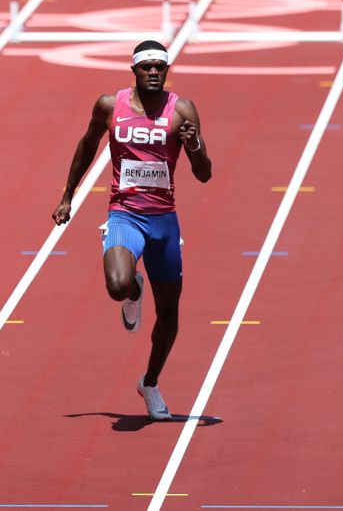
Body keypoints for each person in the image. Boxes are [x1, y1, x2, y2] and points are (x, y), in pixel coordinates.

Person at [52, 40, 211, 421]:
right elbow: (87, 146)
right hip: (125, 213)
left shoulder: (182, 110)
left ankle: (150, 383)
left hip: (164, 222)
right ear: (134, 71)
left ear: (167, 71)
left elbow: (204, 174)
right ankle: (134, 288)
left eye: (160, 67)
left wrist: (195, 145)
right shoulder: (110, 106)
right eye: (147, 67)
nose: (154, 73)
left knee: (170, 315)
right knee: (118, 285)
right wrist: (67, 196)